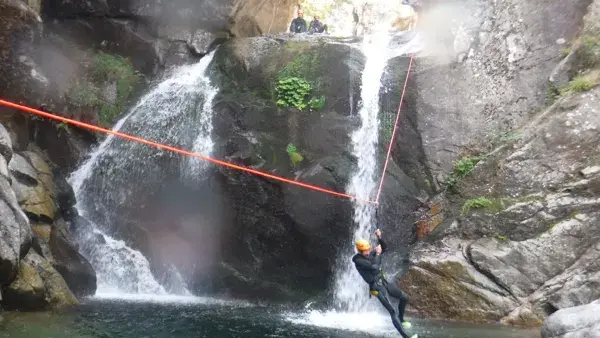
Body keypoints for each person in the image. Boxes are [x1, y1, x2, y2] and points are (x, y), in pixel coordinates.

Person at [353, 229, 418, 338]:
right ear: (360, 251)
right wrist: (377, 254)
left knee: (404, 298)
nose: (368, 252)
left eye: (369, 249)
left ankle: (401, 320)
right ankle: (406, 336)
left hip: (384, 282)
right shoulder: (358, 260)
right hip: (376, 287)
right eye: (365, 251)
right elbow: (374, 267)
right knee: (392, 310)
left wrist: (379, 237)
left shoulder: (370, 254)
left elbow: (385, 248)